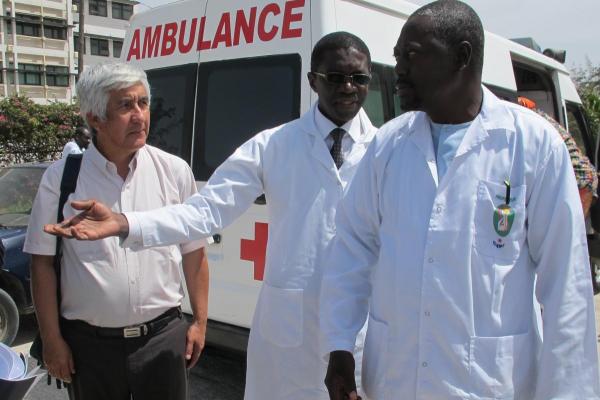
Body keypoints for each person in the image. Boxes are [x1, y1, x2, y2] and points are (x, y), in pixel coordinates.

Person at [44, 32, 376, 400]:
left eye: (358, 78)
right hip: (289, 340)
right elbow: (204, 212)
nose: (348, 87)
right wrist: (125, 223)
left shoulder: (387, 149)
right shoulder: (274, 146)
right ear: (313, 80)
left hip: (363, 334)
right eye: (335, 77)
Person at [320, 1, 600, 399]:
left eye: (411, 56)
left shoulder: (532, 144)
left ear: (462, 56)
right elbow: (351, 247)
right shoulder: (388, 145)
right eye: (398, 56)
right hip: (397, 379)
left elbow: (565, 287)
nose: (398, 68)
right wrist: (340, 346)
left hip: (487, 382)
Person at [24, 63, 209, 400]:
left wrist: (200, 322)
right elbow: (42, 265)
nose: (139, 115)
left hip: (162, 341)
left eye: (143, 103)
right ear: (94, 118)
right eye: (125, 106)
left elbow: (194, 250)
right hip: (90, 349)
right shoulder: (62, 179)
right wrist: (52, 342)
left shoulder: (174, 172)